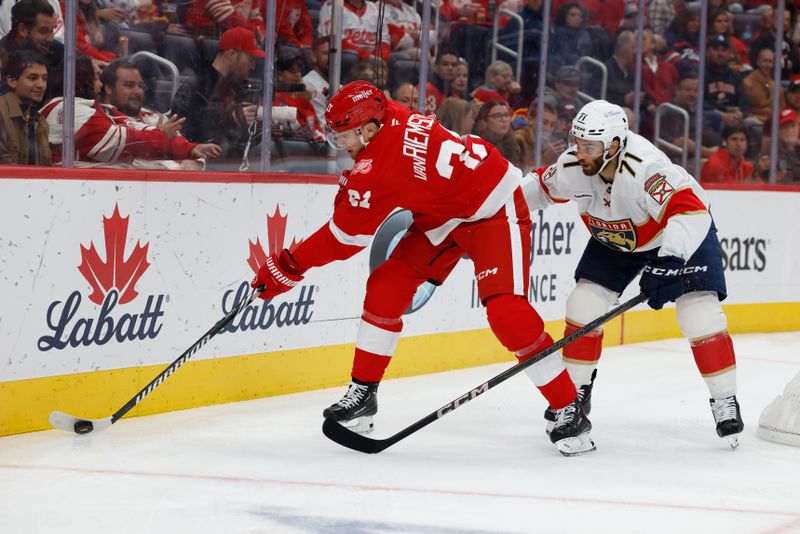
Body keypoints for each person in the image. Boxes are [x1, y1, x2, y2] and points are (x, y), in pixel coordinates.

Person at [250, 80, 597, 456]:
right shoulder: (387, 114)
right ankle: (363, 395)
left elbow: (343, 239)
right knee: (386, 286)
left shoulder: (378, 166)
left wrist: (286, 267)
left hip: (495, 205)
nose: (343, 146)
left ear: (369, 128)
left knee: (506, 313)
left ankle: (569, 408)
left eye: (345, 137)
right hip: (443, 214)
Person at [522, 99, 744, 448]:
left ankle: (724, 400)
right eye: (576, 143)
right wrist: (485, 206)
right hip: (618, 238)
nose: (580, 152)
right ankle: (573, 400)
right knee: (583, 306)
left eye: (589, 146)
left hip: (677, 232)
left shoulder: (647, 168)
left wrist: (670, 260)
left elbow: (690, 211)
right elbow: (534, 192)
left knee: (697, 312)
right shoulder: (572, 165)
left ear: (614, 145)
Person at [42, 59, 221, 168]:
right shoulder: (71, 108)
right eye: (129, 85)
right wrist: (162, 139)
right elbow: (120, 144)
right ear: (109, 88)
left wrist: (193, 159)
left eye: (140, 86)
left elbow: (189, 150)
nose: (138, 91)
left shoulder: (153, 118)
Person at [171, 27, 264, 161]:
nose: (253, 66)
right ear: (232, 54)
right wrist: (230, 120)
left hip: (232, 165)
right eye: (250, 59)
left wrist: (259, 127)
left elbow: (245, 143)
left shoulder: (239, 89)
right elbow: (184, 135)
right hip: (204, 168)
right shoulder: (195, 86)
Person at [0, 0, 63, 100]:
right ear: (22, 30)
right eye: (43, 31)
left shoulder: (56, 51)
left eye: (52, 30)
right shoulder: (2, 59)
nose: (50, 38)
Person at [0, 49, 50, 164]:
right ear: (12, 81)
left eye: (44, 78)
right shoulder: (1, 113)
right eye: (33, 78)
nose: (41, 85)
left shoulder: (40, 121)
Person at [473, 99, 522, 168]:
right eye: (497, 116)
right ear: (484, 121)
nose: (503, 119)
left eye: (506, 115)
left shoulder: (515, 144)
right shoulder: (477, 146)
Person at [302, 36, 330, 133]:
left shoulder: (342, 88)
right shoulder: (306, 83)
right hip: (319, 140)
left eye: (335, 54)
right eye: (326, 54)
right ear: (313, 56)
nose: (332, 58)